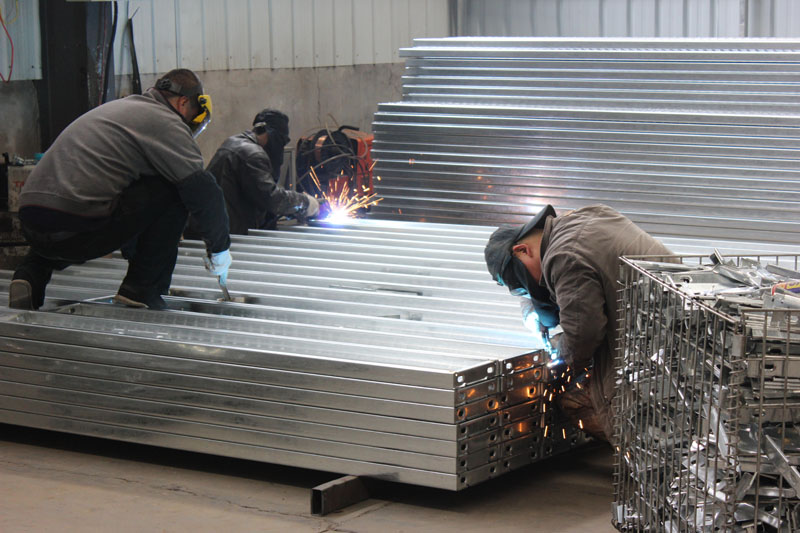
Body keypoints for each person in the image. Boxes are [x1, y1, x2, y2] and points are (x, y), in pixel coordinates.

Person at [9, 68, 232, 311]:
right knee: (175, 187)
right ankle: (142, 288)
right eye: (191, 116)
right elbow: (203, 192)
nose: (187, 124)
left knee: (61, 215)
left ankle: (30, 275)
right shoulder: (165, 120)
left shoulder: (121, 109)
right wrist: (219, 248)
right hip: (77, 227)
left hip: (31, 223)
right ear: (183, 102)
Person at [484, 204, 673, 443]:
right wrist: (533, 309)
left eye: (522, 286)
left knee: (581, 401)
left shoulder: (564, 256)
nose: (529, 290)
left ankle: (641, 447)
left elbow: (583, 335)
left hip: (657, 360)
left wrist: (559, 356)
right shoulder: (582, 220)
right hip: (672, 337)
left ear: (522, 249)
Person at [201, 109, 319, 235]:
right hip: (227, 234)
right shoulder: (253, 154)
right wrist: (305, 203)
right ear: (271, 135)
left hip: (209, 229)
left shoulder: (232, 142)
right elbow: (272, 198)